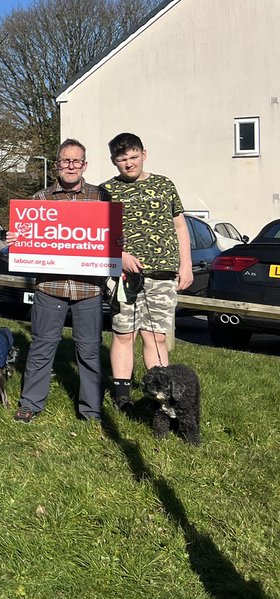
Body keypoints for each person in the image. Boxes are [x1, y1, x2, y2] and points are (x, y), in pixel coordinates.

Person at [11, 140, 110, 422]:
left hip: (89, 288)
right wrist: (17, 240)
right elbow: (26, 240)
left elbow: (113, 237)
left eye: (76, 161)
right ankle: (30, 404)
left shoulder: (101, 197)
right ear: (56, 165)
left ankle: (91, 411)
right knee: (42, 346)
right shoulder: (40, 199)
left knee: (89, 351)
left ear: (85, 165)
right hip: (49, 287)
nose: (70, 166)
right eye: (65, 161)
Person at [101, 132, 192, 413]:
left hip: (162, 274)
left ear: (144, 154)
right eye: (122, 159)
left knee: (156, 336)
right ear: (114, 162)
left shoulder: (164, 185)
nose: (129, 164)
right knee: (123, 333)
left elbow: (179, 226)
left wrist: (185, 265)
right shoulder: (107, 190)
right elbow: (100, 234)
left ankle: (159, 395)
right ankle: (123, 398)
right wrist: (119, 257)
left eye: (133, 157)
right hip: (123, 275)